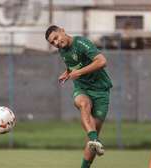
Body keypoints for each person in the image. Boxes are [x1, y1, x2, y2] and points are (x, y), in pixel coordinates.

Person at [45, 25, 113, 168]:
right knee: (83, 104)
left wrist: (80, 72)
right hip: (82, 88)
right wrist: (68, 72)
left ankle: (90, 150)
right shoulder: (61, 50)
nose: (56, 43)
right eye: (52, 42)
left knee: (93, 138)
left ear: (63, 30)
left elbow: (102, 61)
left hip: (101, 91)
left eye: (56, 38)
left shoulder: (81, 43)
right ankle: (94, 138)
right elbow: (74, 65)